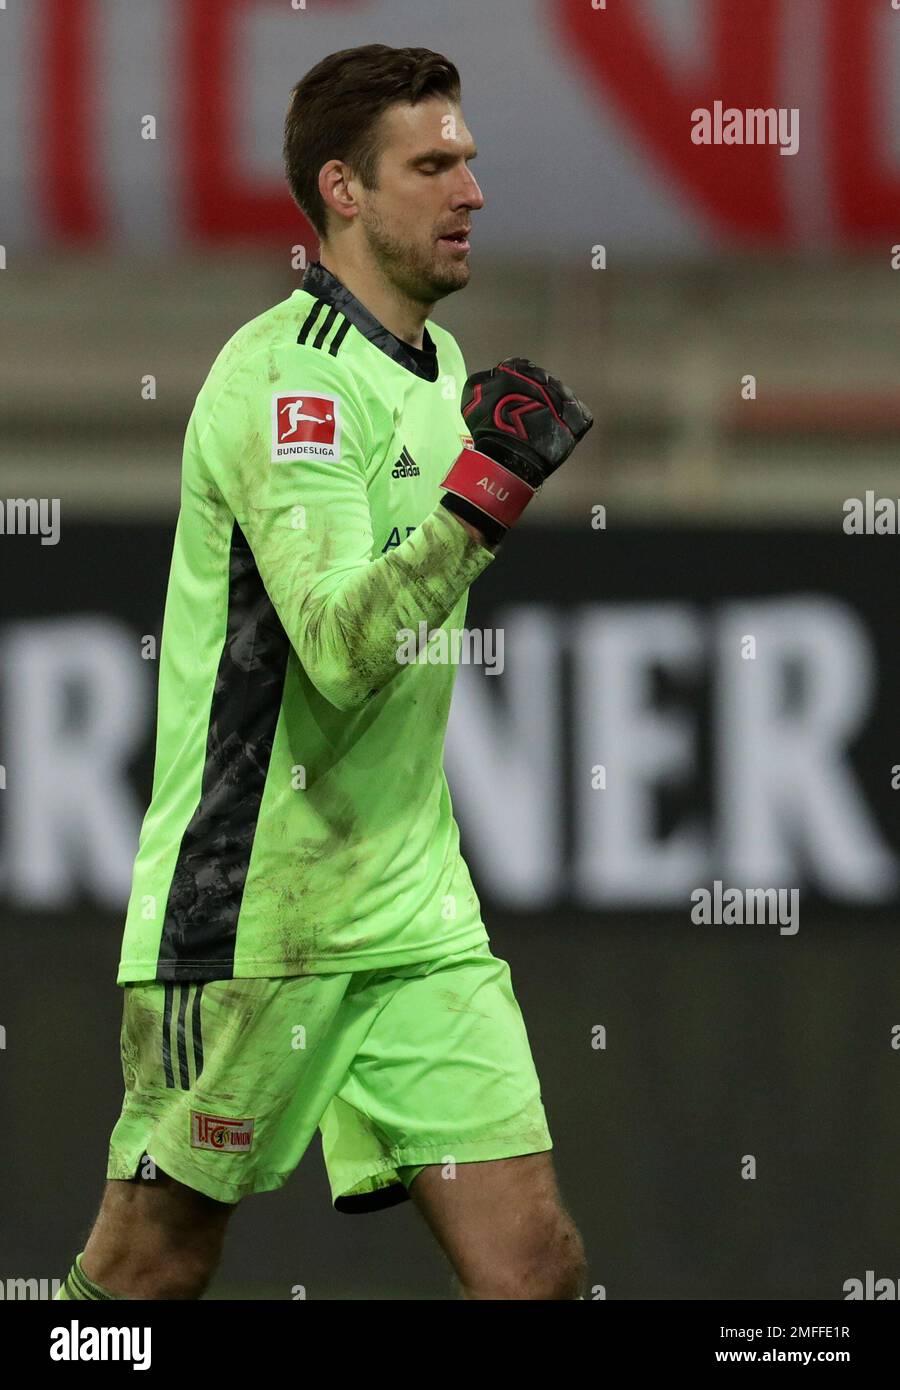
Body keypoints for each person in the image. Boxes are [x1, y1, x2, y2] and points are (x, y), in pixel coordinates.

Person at [57, 43, 592, 1302]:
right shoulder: (284, 379)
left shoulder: (445, 372)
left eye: (469, 162)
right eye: (435, 165)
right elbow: (345, 657)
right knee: (148, 1275)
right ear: (344, 190)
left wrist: (474, 496)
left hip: (414, 910)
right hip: (253, 909)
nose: (471, 192)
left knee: (535, 1271)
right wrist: (482, 503)